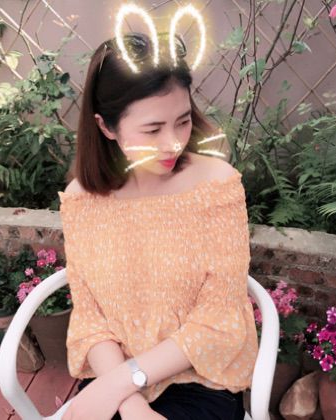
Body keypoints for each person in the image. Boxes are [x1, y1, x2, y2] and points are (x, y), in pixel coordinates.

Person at [59, 32, 258, 420]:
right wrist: (129, 402)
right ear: (106, 127)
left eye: (183, 121)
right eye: (152, 130)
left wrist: (122, 384)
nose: (173, 143)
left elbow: (219, 318)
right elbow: (90, 317)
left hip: (199, 378)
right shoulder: (82, 199)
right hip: (112, 376)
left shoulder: (215, 187)